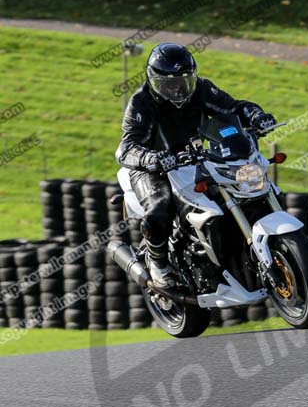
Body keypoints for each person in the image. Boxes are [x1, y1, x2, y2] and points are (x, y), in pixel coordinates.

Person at [115, 42, 276, 290]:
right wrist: (151, 159)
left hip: (195, 157)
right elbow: (126, 147)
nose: (178, 89)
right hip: (152, 167)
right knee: (160, 205)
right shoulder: (141, 102)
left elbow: (233, 107)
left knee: (241, 186)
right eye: (169, 84)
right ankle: (159, 266)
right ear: (154, 81)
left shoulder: (201, 89)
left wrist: (256, 116)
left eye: (184, 81)